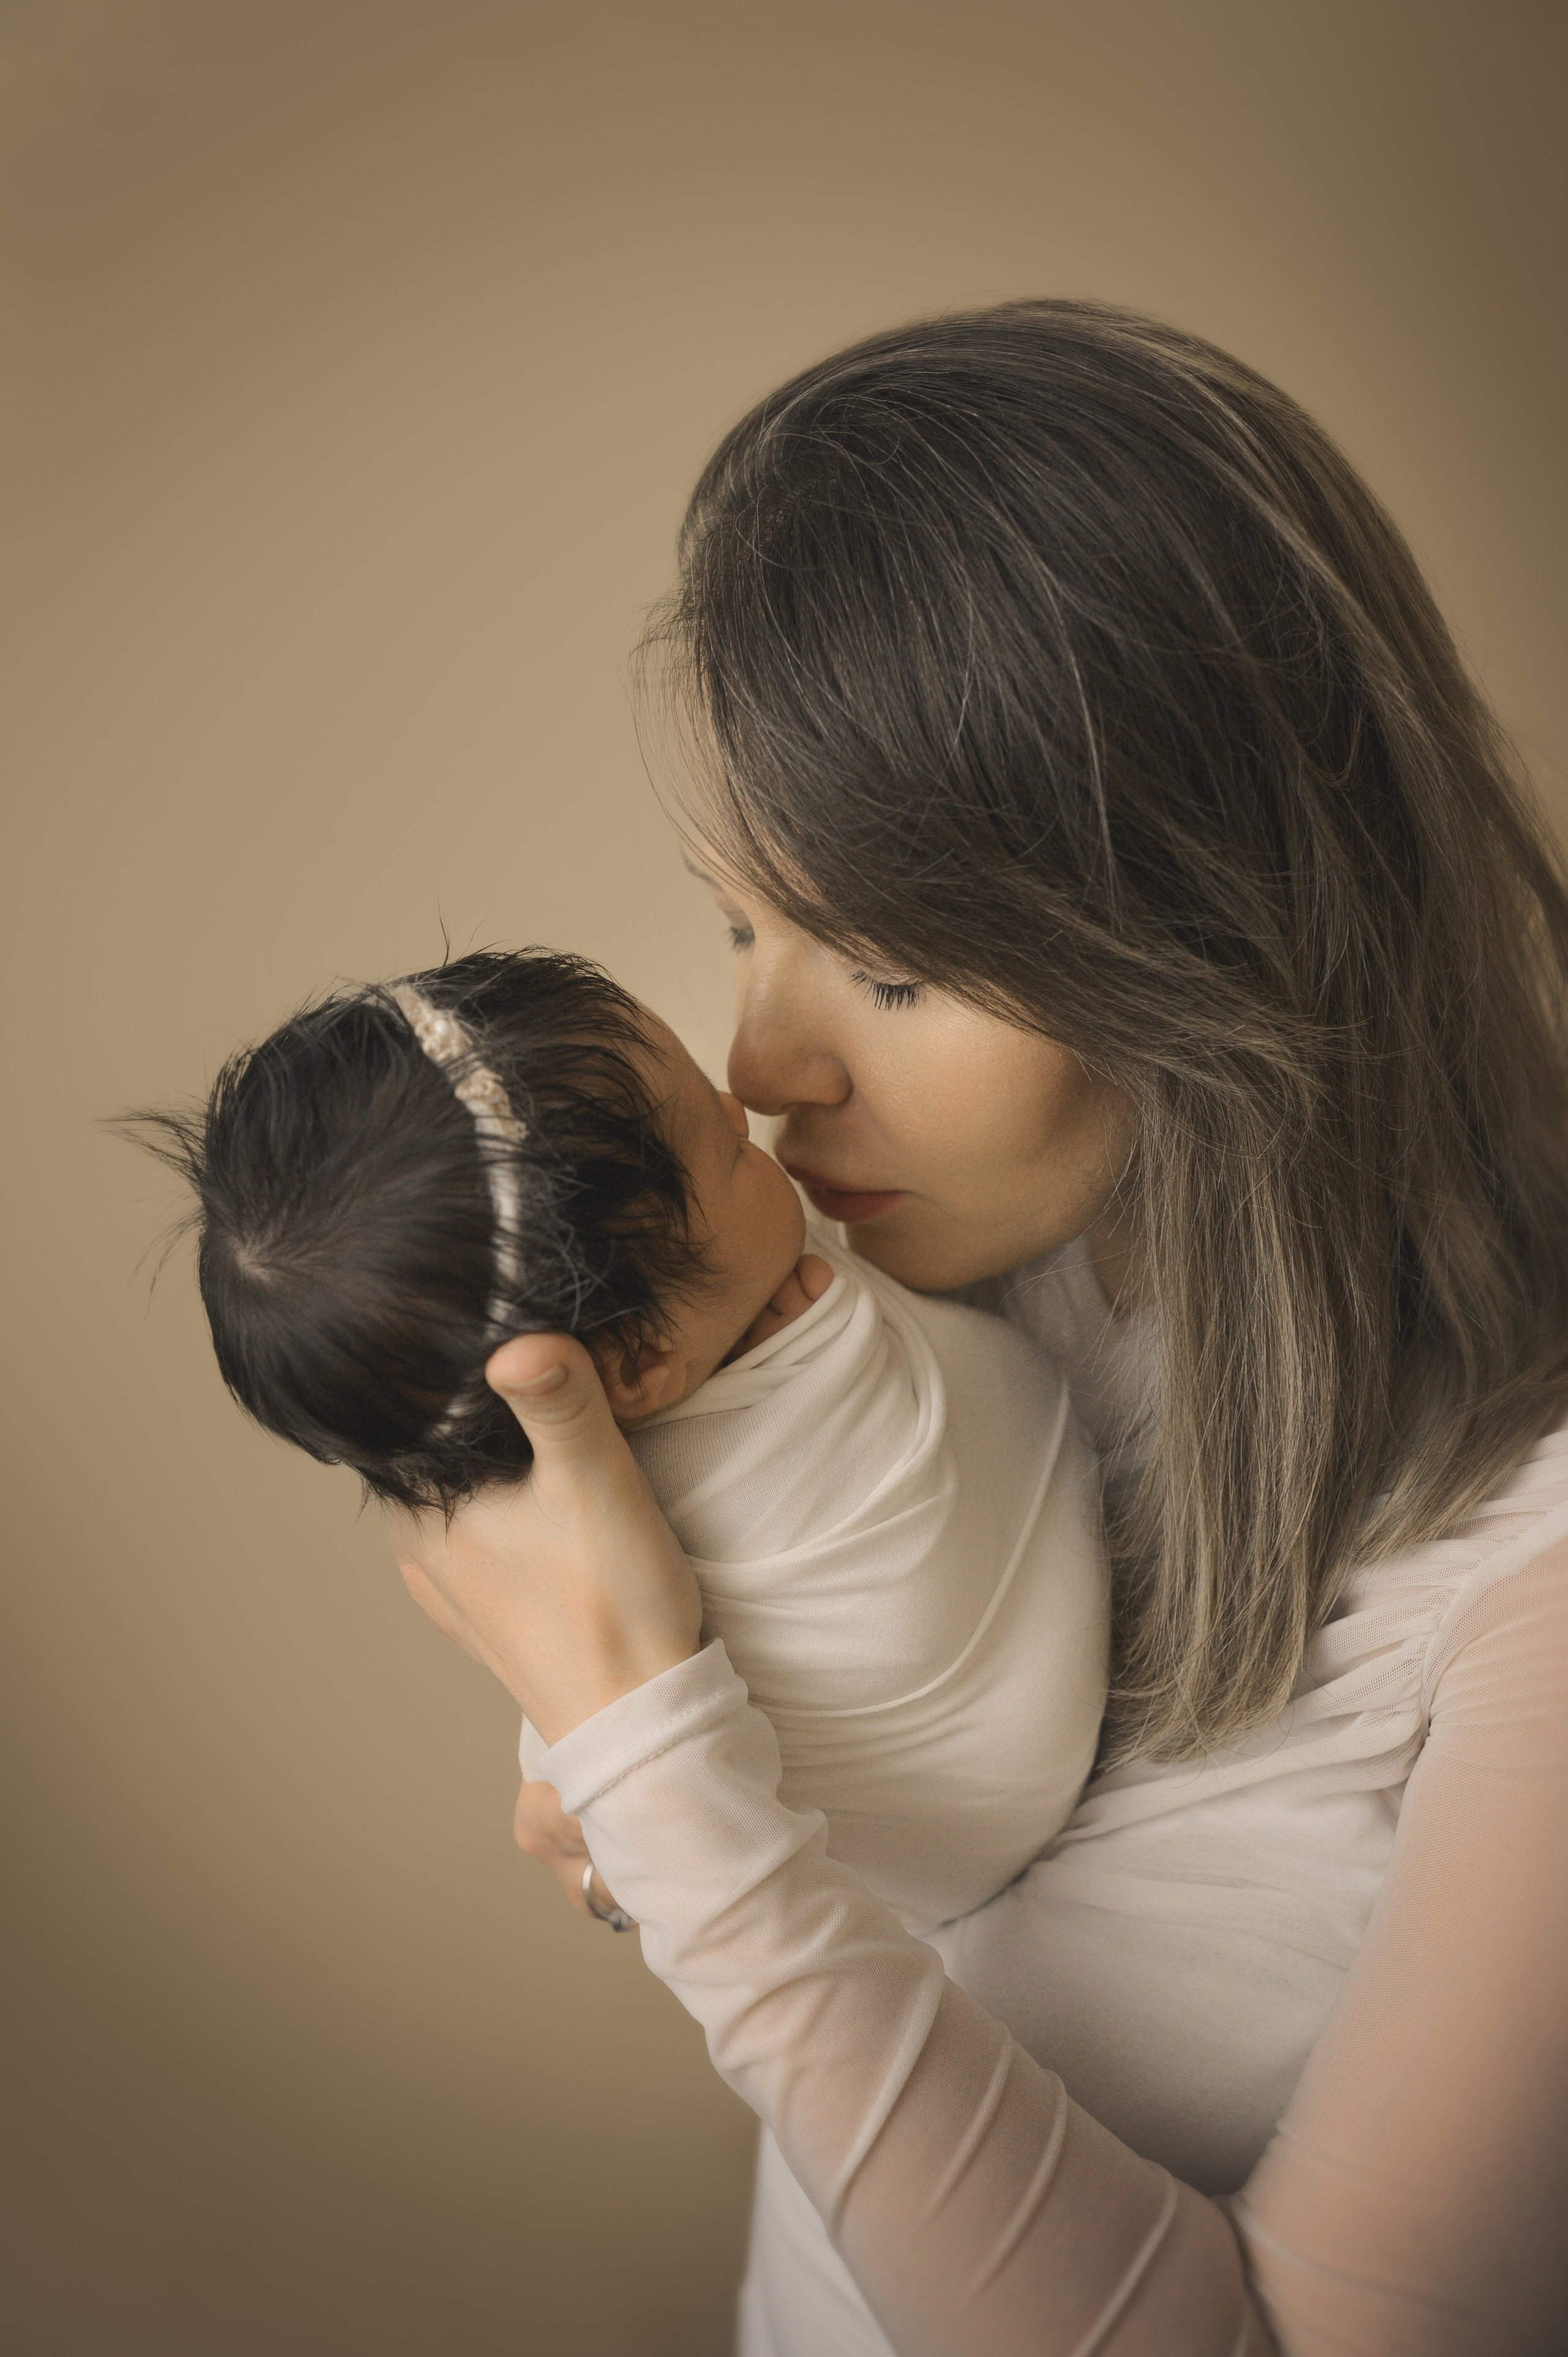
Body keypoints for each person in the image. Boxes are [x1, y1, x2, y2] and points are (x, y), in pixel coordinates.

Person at [394, 301, 1568, 2354]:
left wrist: (669, 1784)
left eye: (896, 971)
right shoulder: (929, 1285)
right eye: (749, 919)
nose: (761, 1064)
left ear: (1222, 933)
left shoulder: (1532, 1587)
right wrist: (640, 1777)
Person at [143, 948, 1107, 1936]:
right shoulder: (815, 1352)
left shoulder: (585, 1433)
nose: (742, 1106)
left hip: (940, 1853)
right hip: (985, 1781)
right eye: (724, 1151)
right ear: (642, 1362)